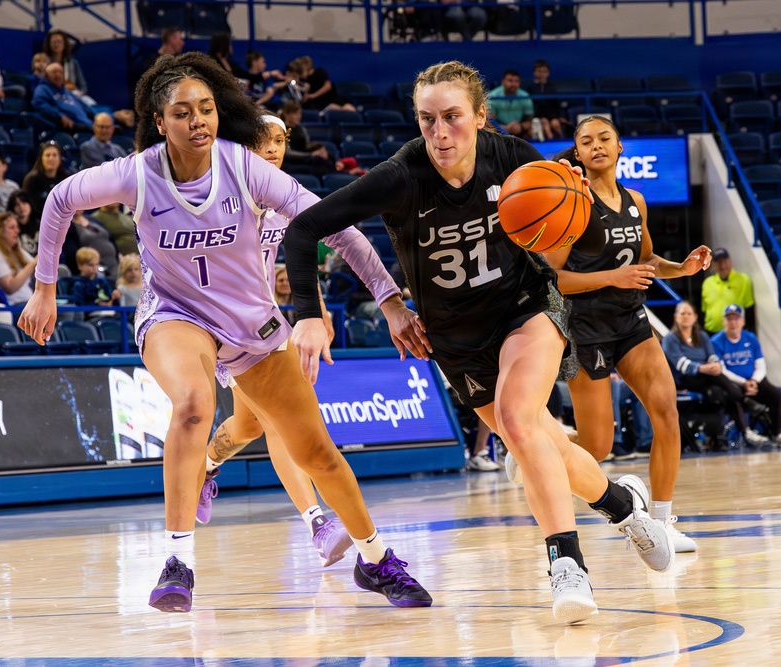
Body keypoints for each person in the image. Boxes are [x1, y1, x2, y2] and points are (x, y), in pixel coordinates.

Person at [17, 52, 430, 612]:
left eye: (206, 109)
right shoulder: (138, 172)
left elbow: (332, 224)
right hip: (175, 314)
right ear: (160, 123)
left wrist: (389, 298)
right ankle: (178, 561)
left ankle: (375, 558)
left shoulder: (244, 166)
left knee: (317, 454)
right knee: (193, 400)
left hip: (252, 324)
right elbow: (61, 198)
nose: (198, 121)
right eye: (183, 112)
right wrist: (45, 287)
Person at [283, 60, 674, 625]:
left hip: (526, 309)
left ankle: (567, 563)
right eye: (427, 120)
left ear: (479, 117)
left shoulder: (514, 157)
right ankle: (622, 506)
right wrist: (313, 314)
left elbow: (571, 218)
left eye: (452, 118)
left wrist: (578, 202)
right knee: (539, 440)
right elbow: (303, 229)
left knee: (520, 420)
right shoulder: (401, 176)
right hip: (455, 338)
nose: (440, 133)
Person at [196, 113, 406, 569]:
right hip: (213, 322)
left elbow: (311, 252)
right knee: (275, 421)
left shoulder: (285, 195)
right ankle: (317, 522)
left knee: (250, 426)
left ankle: (206, 466)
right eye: (260, 140)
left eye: (279, 140)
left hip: (261, 318)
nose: (272, 148)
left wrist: (318, 311)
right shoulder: (219, 191)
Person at [544, 115, 707, 554]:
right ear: (576, 153)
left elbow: (648, 259)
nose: (596, 146)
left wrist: (682, 267)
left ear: (620, 149)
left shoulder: (636, 200)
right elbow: (552, 277)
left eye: (604, 139)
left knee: (667, 412)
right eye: (586, 141)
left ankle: (663, 521)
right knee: (598, 444)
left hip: (630, 322)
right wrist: (613, 276)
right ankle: (539, 442)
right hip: (584, 328)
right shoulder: (570, 203)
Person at [661, 300, 742, 452]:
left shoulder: (702, 336)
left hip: (705, 379)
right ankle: (738, 394)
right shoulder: (670, 339)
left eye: (689, 313)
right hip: (682, 379)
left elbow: (712, 355)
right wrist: (705, 368)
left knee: (716, 393)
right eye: (682, 313)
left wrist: (715, 365)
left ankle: (717, 439)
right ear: (675, 316)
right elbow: (681, 365)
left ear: (695, 317)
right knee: (718, 383)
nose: (685, 316)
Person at [711, 304, 781, 448]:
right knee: (734, 395)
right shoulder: (716, 342)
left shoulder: (751, 338)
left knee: (776, 396)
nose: (733, 323)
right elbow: (721, 370)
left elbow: (760, 365)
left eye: (736, 319)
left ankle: (778, 433)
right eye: (729, 319)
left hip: (754, 381)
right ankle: (746, 433)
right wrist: (744, 383)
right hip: (733, 384)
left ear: (742, 321)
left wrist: (754, 381)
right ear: (724, 321)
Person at [0, 211, 37, 307]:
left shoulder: (18, 250)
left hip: (29, 302)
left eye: (17, 227)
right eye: (12, 228)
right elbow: (10, 287)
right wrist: (33, 263)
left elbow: (37, 270)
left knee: (63, 310)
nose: (17, 231)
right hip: (12, 306)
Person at [700, 247, 754, 335]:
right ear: (713, 265)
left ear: (730, 261)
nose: (723, 265)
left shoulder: (743, 280)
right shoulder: (707, 283)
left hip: (735, 333)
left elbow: (749, 309)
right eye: (719, 262)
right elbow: (704, 310)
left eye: (725, 261)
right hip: (711, 332)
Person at [32, 63, 94, 132]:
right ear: (46, 76)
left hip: (88, 123)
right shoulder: (42, 89)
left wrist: (95, 116)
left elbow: (83, 105)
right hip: (72, 126)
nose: (58, 75)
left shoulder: (67, 91)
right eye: (54, 72)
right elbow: (40, 105)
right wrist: (60, 116)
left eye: (60, 72)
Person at [43, 29, 95, 107]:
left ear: (64, 45)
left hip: (73, 93)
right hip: (55, 95)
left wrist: (81, 92)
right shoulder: (45, 63)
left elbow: (82, 84)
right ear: (49, 44)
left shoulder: (72, 63)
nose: (56, 44)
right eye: (54, 42)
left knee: (91, 104)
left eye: (59, 42)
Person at [22, 141, 70, 222]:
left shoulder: (66, 178)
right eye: (47, 155)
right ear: (41, 159)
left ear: (60, 158)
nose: (51, 158)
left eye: (54, 155)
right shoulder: (32, 180)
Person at [611, 372, 652, 460]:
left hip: (612, 379)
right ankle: (614, 442)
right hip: (591, 384)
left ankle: (644, 442)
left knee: (639, 385)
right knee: (612, 384)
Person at [486, 69, 534, 139]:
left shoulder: (525, 96)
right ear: (503, 82)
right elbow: (489, 122)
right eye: (510, 81)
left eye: (516, 81)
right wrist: (505, 128)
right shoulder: (492, 96)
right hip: (498, 132)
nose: (513, 84)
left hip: (520, 130)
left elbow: (529, 121)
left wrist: (520, 126)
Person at [529, 59, 570, 141]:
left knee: (555, 123)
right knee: (545, 123)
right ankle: (549, 142)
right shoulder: (531, 88)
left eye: (545, 71)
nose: (542, 74)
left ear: (548, 73)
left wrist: (559, 117)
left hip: (551, 115)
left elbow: (556, 104)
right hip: (538, 115)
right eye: (539, 71)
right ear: (534, 72)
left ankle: (562, 141)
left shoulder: (551, 87)